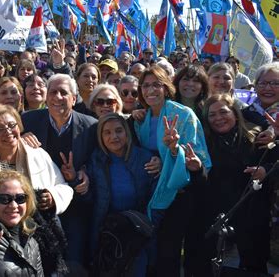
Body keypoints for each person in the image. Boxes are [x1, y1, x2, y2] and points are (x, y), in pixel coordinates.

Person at [134, 66, 211, 276]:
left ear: (166, 88)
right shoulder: (141, 119)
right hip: (151, 191)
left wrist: (173, 151)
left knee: (171, 252)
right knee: (156, 251)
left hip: (179, 194)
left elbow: (196, 156)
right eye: (146, 85)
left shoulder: (184, 115)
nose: (151, 90)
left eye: (157, 85)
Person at [21, 73, 97, 274]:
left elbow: (98, 158)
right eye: (52, 92)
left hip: (75, 205)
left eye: (63, 92)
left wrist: (84, 172)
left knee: (73, 261)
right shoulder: (27, 121)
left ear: (74, 98)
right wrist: (20, 136)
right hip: (38, 208)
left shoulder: (91, 126)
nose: (57, 97)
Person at [202, 94, 271, 275]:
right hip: (216, 213)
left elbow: (274, 164)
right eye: (212, 115)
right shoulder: (204, 142)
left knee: (254, 263)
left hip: (251, 212)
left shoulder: (257, 136)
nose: (218, 118)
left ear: (235, 113)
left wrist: (265, 170)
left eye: (223, 112)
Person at [86, 113, 161, 276]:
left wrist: (149, 225)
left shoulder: (145, 158)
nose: (114, 136)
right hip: (108, 231)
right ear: (101, 136)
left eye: (119, 131)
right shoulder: (96, 160)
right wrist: (78, 183)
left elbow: (156, 197)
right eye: (107, 132)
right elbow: (90, 197)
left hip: (138, 231)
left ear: (127, 133)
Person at [0, 104, 73, 215]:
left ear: (19, 127)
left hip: (35, 223)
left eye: (12, 125)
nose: (8, 131)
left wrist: (52, 196)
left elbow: (64, 187)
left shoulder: (38, 155)